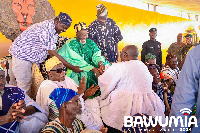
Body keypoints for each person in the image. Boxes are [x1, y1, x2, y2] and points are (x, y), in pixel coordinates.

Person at [9, 12, 82, 96]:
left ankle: (29, 104)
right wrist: (72, 67)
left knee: (33, 87)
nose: (64, 30)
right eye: (63, 27)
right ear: (57, 22)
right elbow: (52, 53)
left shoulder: (54, 29)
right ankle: (23, 107)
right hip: (22, 57)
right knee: (24, 85)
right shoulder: (46, 30)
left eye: (66, 28)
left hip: (32, 58)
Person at [97, 45, 165, 132]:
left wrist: (99, 75)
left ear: (125, 54)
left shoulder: (120, 66)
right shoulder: (143, 66)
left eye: (121, 53)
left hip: (125, 106)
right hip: (147, 106)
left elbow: (106, 85)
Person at [36, 56, 102, 130]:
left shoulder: (67, 80)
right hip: (65, 120)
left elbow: (78, 101)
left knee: (95, 103)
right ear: (49, 73)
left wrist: (86, 95)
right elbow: (64, 109)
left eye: (64, 69)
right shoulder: (46, 86)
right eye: (59, 70)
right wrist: (80, 91)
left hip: (77, 113)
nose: (63, 72)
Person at [58, 22, 110, 98]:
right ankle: (83, 97)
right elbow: (77, 60)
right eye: (82, 34)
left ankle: (105, 93)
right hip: (77, 67)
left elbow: (96, 55)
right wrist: (93, 69)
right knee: (83, 74)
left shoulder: (90, 43)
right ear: (76, 34)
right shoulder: (70, 44)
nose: (84, 37)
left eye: (85, 34)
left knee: (106, 67)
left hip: (92, 67)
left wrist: (100, 64)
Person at [0, 65, 48, 133]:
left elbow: (35, 107)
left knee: (35, 120)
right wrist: (4, 119)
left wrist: (24, 110)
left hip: (18, 128)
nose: (1, 82)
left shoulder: (13, 91)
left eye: (2, 77)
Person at [41, 88, 108, 133]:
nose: (80, 105)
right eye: (76, 101)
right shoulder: (51, 130)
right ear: (64, 105)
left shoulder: (78, 124)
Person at [168, 45, 200, 133]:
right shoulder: (195, 55)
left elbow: (182, 103)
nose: (175, 63)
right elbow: (182, 102)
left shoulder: (196, 55)